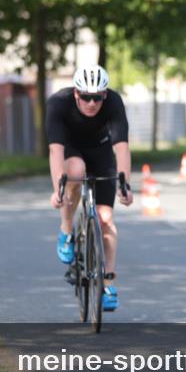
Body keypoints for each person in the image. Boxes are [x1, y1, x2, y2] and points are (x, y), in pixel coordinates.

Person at [47, 65, 133, 311]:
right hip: (70, 148)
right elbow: (56, 151)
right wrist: (58, 190)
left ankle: (108, 283)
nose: (92, 103)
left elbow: (122, 147)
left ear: (105, 95)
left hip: (101, 151)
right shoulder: (58, 103)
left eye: (97, 97)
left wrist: (125, 184)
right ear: (76, 93)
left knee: (105, 219)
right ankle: (66, 230)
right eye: (86, 97)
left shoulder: (114, 101)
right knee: (75, 172)